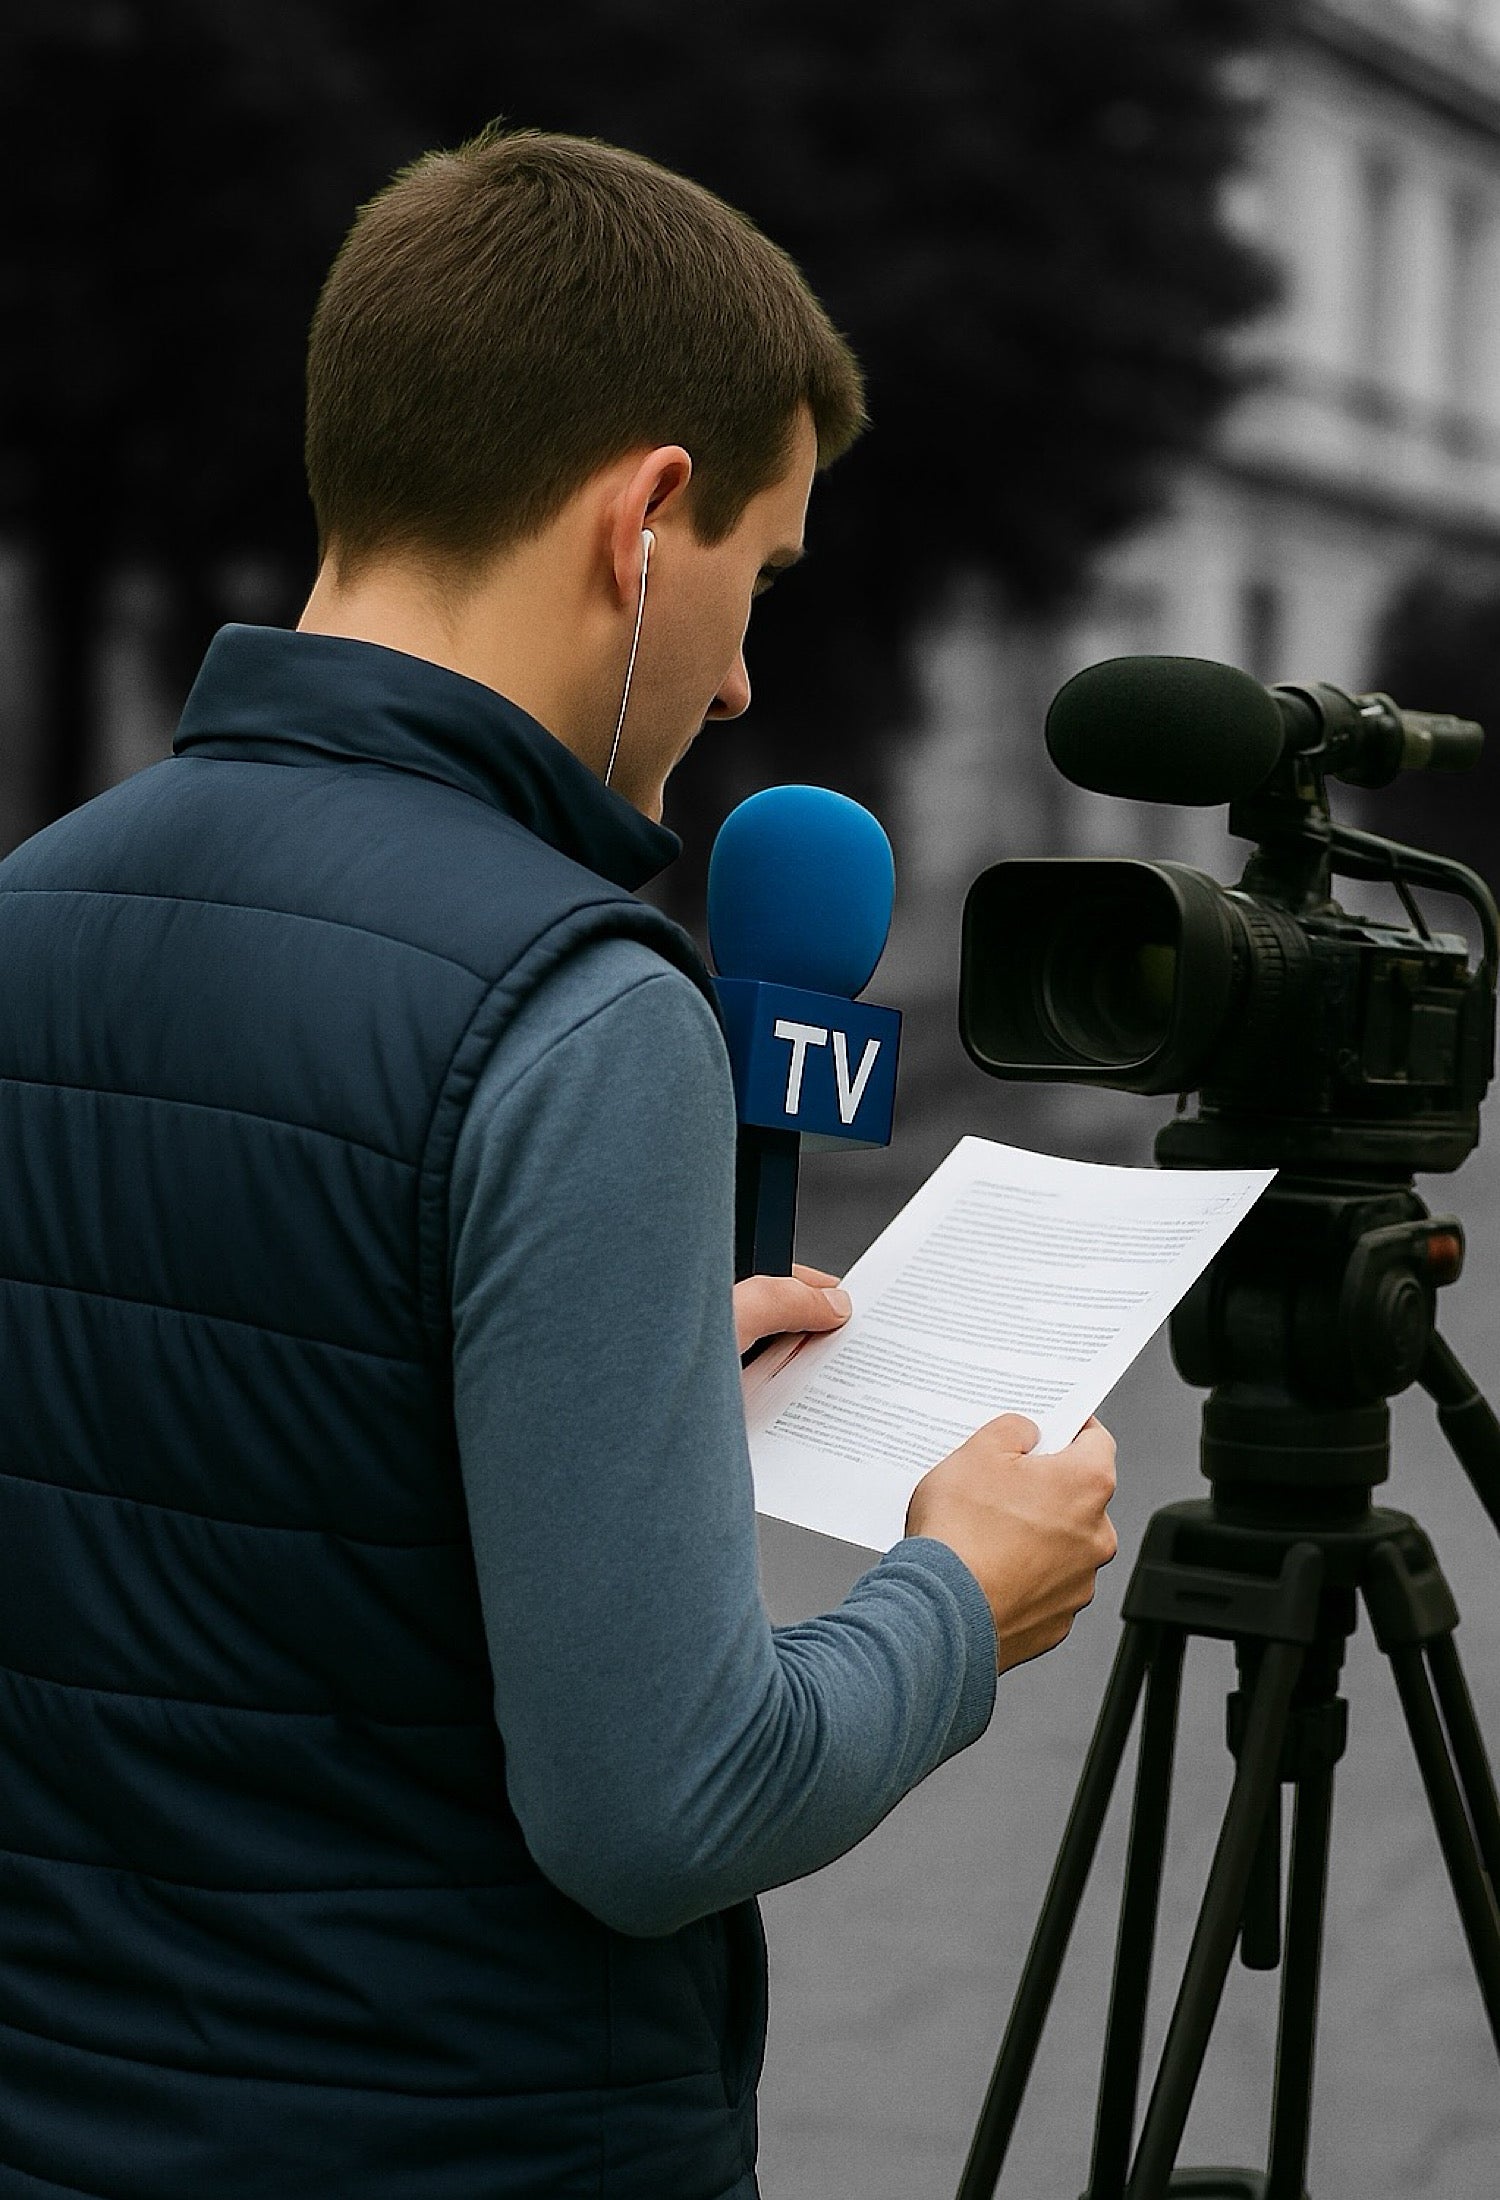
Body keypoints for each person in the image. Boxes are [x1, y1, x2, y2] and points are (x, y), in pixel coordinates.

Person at [0, 124, 1116, 2199]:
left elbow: (190, 1490)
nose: (750, 669)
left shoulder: (34, 901)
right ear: (647, 516)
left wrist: (590, 1347)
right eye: (758, 582)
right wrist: (969, 1590)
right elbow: (670, 1803)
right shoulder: (579, 1007)